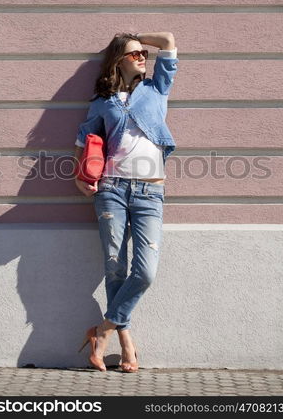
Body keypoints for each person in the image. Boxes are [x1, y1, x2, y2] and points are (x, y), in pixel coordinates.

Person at [74, 32, 179, 372]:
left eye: (143, 55)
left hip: (150, 191)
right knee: (115, 266)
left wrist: (136, 38)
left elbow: (168, 41)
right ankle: (126, 343)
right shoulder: (102, 101)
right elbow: (84, 138)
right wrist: (80, 176)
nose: (141, 58)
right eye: (134, 54)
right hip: (112, 189)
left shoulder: (156, 88)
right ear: (117, 59)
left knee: (145, 272)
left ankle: (102, 330)